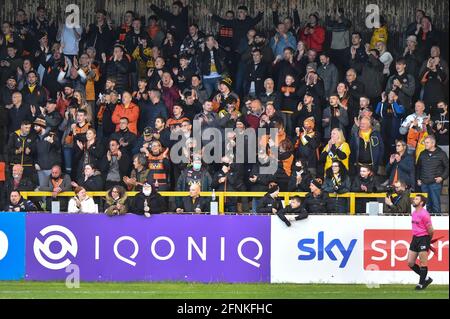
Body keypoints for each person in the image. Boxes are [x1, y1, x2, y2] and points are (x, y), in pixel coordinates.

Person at [416, 135, 449, 214]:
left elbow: (447, 167)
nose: (425, 144)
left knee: (436, 205)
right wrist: (418, 179)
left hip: (435, 183)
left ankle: (437, 224)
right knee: (426, 205)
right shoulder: (422, 153)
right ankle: (426, 224)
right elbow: (418, 167)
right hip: (424, 183)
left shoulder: (441, 154)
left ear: (433, 143)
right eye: (425, 142)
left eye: (427, 142)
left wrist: (442, 177)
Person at [407, 194, 434, 290]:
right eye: (414, 199)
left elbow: (431, 230)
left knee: (423, 262)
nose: (414, 200)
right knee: (410, 263)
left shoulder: (425, 214)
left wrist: (428, 240)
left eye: (416, 199)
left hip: (423, 238)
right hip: (415, 238)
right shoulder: (414, 213)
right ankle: (426, 278)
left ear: (421, 202)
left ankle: (421, 284)